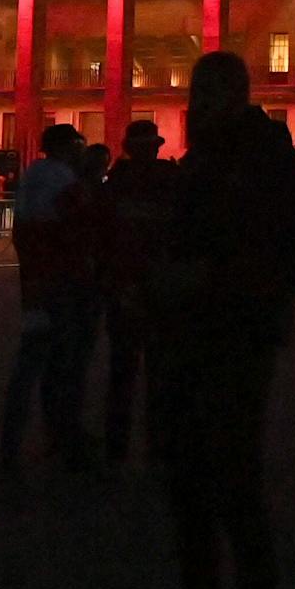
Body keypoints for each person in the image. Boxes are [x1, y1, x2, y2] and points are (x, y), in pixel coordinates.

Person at [151, 51, 295, 589]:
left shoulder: (272, 166)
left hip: (239, 337)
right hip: (186, 339)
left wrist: (208, 275)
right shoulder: (201, 163)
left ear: (236, 96)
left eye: (209, 94)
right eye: (195, 94)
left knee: (233, 482)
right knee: (189, 492)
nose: (198, 106)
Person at [1, 122, 96, 471]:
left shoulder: (33, 177)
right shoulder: (63, 180)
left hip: (36, 282)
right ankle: (62, 436)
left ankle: (13, 441)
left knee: (31, 363)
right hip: (62, 281)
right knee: (62, 364)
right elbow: (79, 227)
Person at [99, 119, 179, 464]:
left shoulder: (115, 184)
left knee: (123, 371)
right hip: (158, 284)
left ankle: (116, 447)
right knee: (158, 372)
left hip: (125, 284)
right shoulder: (169, 181)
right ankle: (157, 446)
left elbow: (103, 237)